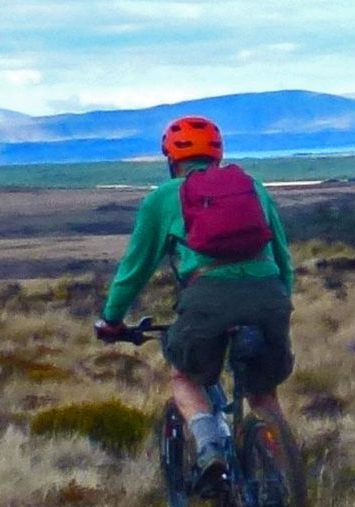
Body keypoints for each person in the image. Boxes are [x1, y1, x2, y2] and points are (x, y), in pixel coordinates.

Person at [93, 115, 295, 480]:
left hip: (208, 299)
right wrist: (282, 304)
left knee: (185, 377)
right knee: (264, 395)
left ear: (172, 159)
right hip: (269, 295)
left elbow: (135, 269)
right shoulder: (253, 186)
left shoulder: (163, 198)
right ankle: (285, 481)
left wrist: (111, 320)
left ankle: (210, 448)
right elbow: (282, 258)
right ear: (218, 156)